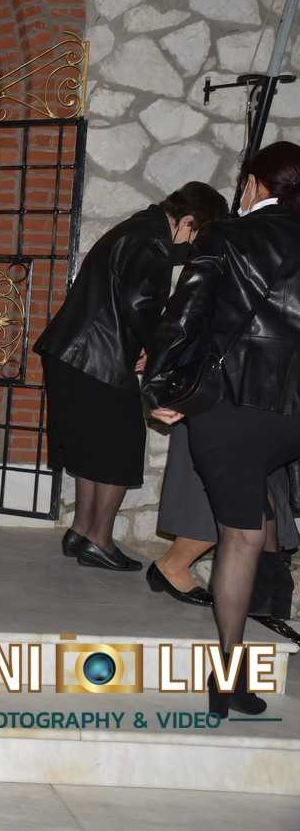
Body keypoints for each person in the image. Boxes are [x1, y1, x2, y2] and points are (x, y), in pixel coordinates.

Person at [145, 142, 300, 717]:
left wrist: (161, 391)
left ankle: (228, 678)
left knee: (240, 540)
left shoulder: (225, 237)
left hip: (230, 411)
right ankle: (240, 674)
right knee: (258, 520)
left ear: (255, 184)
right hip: (292, 416)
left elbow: (183, 318)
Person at [34, 181, 228, 572]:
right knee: (120, 449)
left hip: (74, 353)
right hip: (98, 357)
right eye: (197, 237)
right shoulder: (152, 242)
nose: (191, 249)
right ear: (188, 221)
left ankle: (82, 531)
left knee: (92, 447)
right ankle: (99, 540)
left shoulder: (138, 226)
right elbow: (140, 304)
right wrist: (155, 351)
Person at [151, 421, 297, 612]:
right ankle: (172, 565)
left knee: (257, 499)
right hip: (223, 415)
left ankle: (257, 595)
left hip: (260, 416)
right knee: (226, 499)